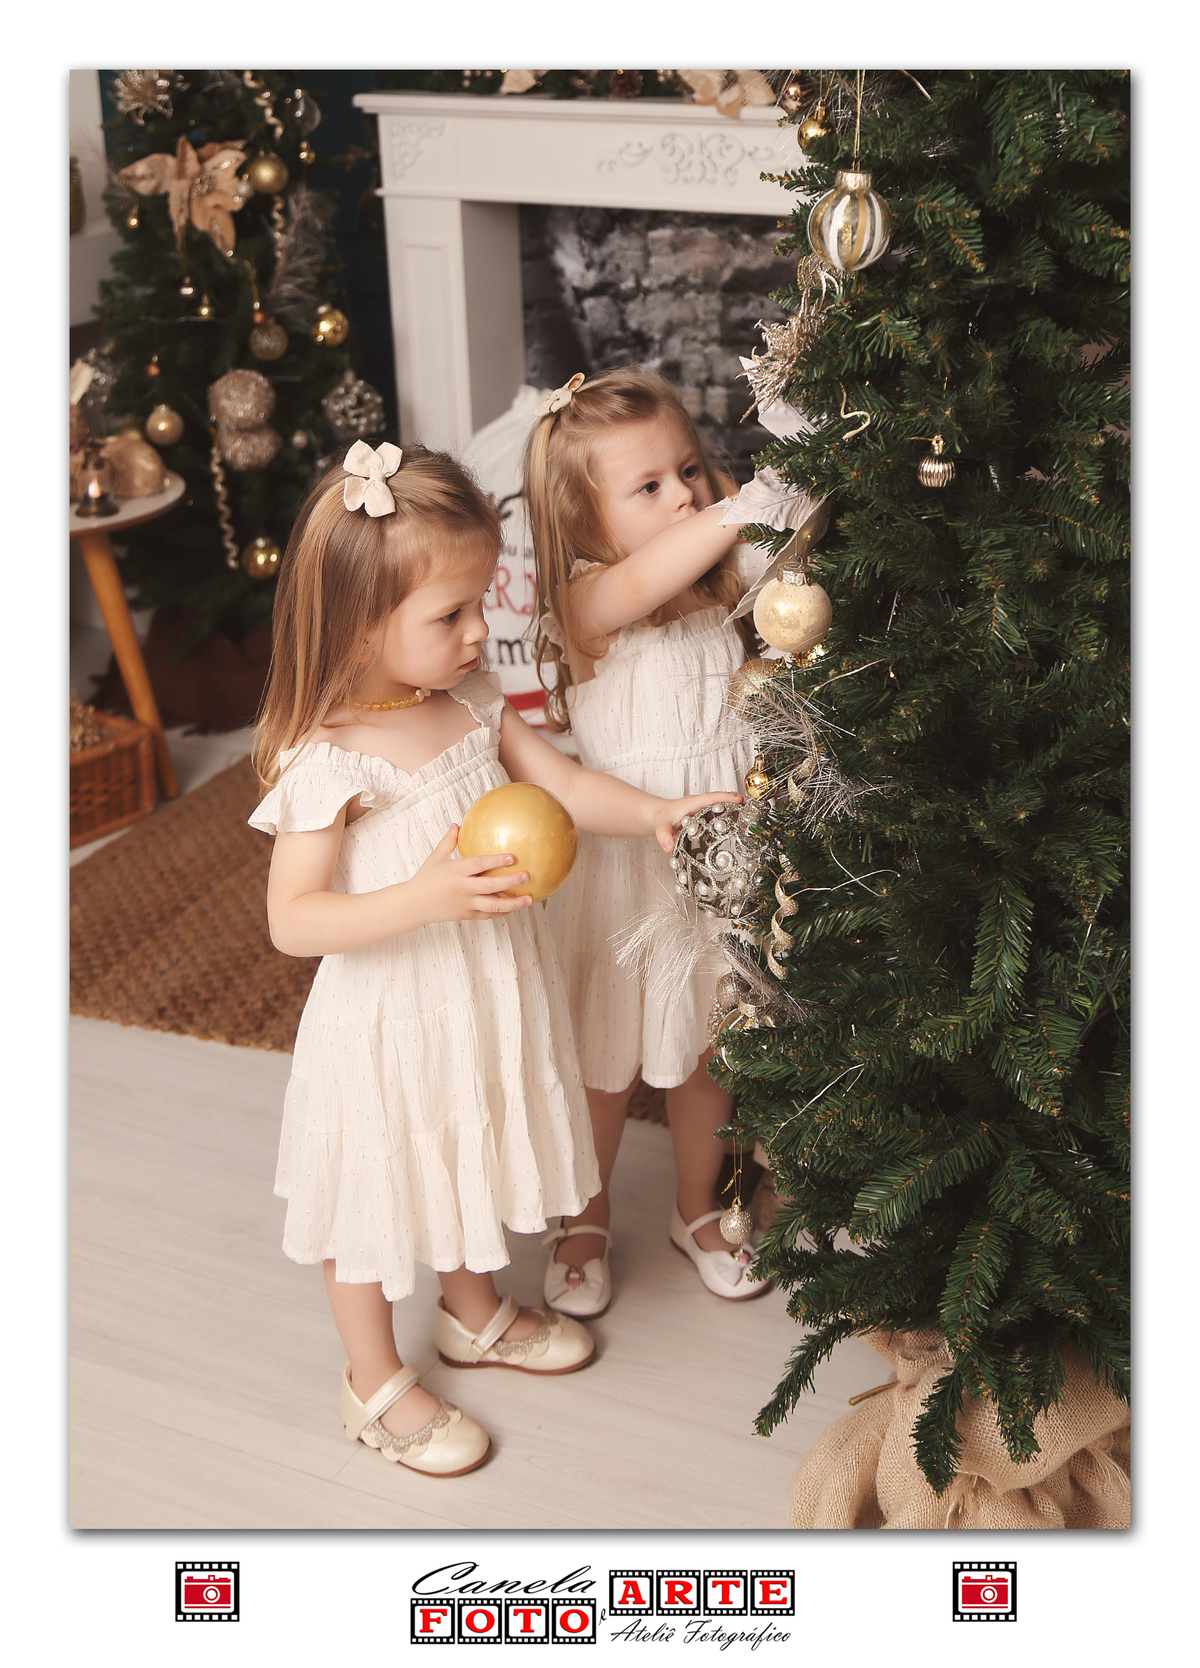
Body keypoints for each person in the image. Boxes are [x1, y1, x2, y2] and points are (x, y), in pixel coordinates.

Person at [249, 439, 738, 1477]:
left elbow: (563, 785)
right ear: (360, 623)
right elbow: (292, 919)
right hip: (388, 1022)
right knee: (378, 1193)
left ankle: (470, 1312)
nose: (481, 632)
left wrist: (654, 811)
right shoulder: (330, 755)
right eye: (451, 616)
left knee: (464, 1150)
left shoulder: (470, 705)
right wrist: (422, 896)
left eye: (481, 603)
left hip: (479, 997)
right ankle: (374, 1380)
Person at [526, 369, 770, 1318]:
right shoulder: (587, 601)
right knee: (604, 1061)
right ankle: (582, 1220)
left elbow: (777, 561)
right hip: (628, 871)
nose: (686, 496)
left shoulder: (718, 584)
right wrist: (745, 503)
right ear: (582, 524)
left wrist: (780, 499)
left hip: (723, 865)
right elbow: (645, 577)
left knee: (710, 1048)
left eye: (691, 469)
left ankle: (697, 1208)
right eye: (650, 486)